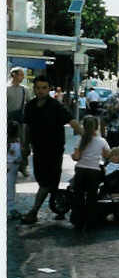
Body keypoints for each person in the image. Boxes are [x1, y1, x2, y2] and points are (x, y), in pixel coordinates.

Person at [20, 75, 82, 225]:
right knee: (49, 181)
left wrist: (87, 137)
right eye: (38, 87)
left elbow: (72, 121)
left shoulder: (56, 106)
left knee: (46, 182)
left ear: (49, 89)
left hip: (54, 150)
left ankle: (33, 212)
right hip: (38, 149)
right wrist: (25, 145)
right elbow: (27, 127)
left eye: (44, 88)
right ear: (34, 88)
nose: (40, 90)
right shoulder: (30, 106)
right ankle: (60, 208)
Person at [70, 115, 111, 227]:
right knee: (92, 196)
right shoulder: (102, 141)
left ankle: (77, 219)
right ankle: (90, 220)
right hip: (94, 171)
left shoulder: (80, 140)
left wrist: (73, 156)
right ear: (97, 127)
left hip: (80, 170)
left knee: (78, 195)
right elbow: (107, 155)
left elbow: (76, 157)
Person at [7, 67, 31, 176]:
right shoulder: (6, 88)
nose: (22, 77)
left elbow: (30, 104)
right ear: (14, 75)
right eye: (21, 74)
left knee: (23, 144)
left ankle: (23, 166)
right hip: (7, 120)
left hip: (20, 121)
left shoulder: (24, 89)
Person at [7, 120, 23, 220]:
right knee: (10, 188)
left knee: (10, 188)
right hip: (10, 167)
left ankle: (10, 207)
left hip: (12, 168)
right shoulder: (13, 143)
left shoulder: (13, 142)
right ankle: (11, 208)